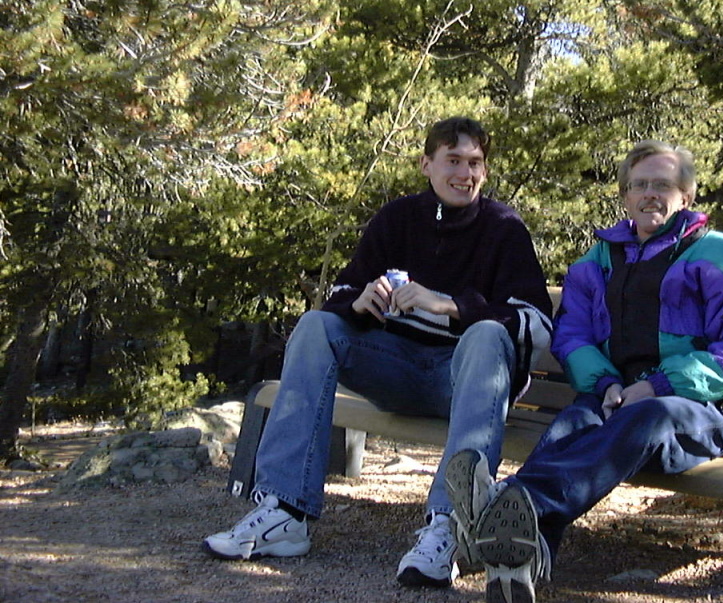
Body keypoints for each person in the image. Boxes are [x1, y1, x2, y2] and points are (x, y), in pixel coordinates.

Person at [203, 116, 553, 589]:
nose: (464, 173)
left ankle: (449, 525)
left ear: (484, 171)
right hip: (395, 372)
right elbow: (342, 292)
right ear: (426, 165)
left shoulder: (504, 229)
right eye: (453, 161)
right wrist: (359, 301)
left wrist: (452, 306)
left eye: (475, 163)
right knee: (316, 325)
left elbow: (536, 325)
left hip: (466, 384)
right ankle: (285, 511)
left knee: (487, 335)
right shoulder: (397, 219)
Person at [445, 139, 723, 603]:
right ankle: (517, 561)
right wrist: (607, 383)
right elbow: (571, 334)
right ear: (625, 196)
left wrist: (656, 385)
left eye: (663, 185)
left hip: (694, 412)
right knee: (574, 423)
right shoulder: (596, 262)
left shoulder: (716, 253)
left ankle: (509, 502)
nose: (650, 194)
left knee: (649, 414)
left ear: (686, 196)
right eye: (640, 185)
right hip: (613, 398)